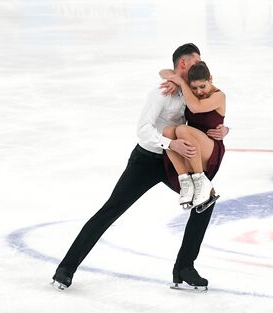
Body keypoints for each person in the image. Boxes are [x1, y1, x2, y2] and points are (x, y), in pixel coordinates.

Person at [51, 43, 227, 291]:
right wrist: (171, 143)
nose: (200, 66)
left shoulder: (193, 90)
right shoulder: (161, 93)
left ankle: (184, 267)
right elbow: (143, 131)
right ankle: (65, 269)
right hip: (147, 160)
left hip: (172, 160)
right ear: (184, 65)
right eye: (196, 62)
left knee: (205, 201)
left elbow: (207, 114)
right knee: (111, 209)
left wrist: (222, 129)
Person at [160, 61, 226, 213]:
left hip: (211, 150)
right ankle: (185, 182)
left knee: (182, 130)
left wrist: (182, 84)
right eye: (194, 88)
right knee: (168, 132)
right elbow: (163, 72)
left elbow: (196, 108)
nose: (199, 91)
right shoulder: (190, 90)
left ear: (210, 79)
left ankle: (200, 180)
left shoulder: (219, 96)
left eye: (202, 86)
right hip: (193, 149)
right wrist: (179, 79)